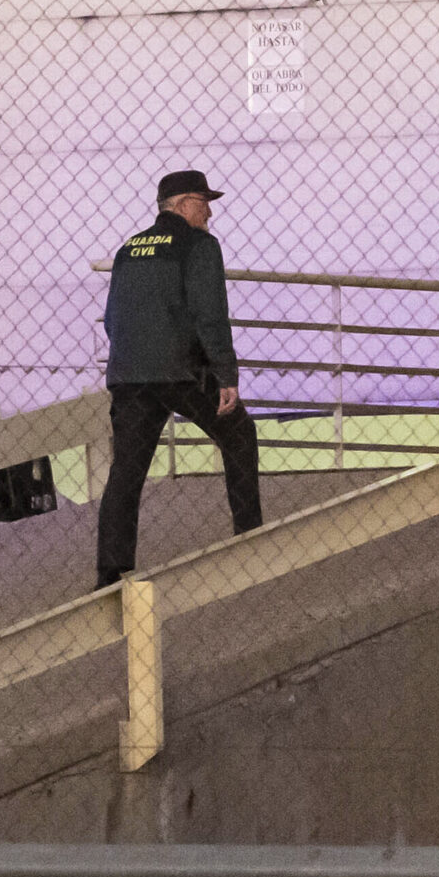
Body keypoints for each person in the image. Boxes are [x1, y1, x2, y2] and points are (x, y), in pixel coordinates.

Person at [96, 170, 263, 590]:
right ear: (185, 204)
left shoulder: (128, 249)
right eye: (204, 203)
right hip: (182, 371)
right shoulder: (199, 246)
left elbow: (112, 319)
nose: (210, 213)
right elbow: (210, 313)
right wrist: (225, 374)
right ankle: (250, 538)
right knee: (239, 434)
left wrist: (133, 359)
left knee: (126, 472)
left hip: (129, 375)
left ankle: (112, 572)